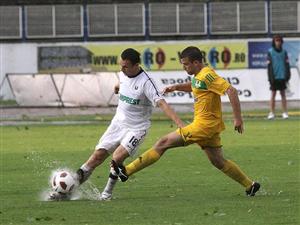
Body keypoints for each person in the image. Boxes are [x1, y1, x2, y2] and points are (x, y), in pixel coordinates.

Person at [109, 46, 260, 197]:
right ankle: (250, 185)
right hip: (209, 127)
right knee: (218, 161)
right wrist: (176, 87)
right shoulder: (199, 76)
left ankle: (126, 171)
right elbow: (196, 86)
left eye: (186, 64)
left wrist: (238, 119)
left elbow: (231, 91)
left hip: (203, 126)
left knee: (163, 143)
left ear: (196, 62)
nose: (184, 67)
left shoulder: (207, 75)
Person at [49, 48, 184, 200]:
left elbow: (163, 104)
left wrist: (180, 124)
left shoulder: (146, 83)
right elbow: (121, 83)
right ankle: (66, 193)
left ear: (136, 65)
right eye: (121, 65)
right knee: (96, 157)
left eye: (125, 66)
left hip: (137, 128)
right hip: (118, 123)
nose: (122, 69)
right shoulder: (123, 73)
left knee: (117, 158)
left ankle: (106, 194)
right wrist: (116, 88)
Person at [267, 35, 291, 119]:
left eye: (279, 41)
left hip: (282, 76)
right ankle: (271, 113)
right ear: (274, 42)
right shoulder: (270, 52)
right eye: (276, 41)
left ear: (281, 42)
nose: (278, 42)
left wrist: (287, 76)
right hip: (274, 77)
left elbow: (287, 64)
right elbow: (269, 66)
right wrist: (270, 78)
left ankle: (284, 112)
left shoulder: (284, 52)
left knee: (283, 94)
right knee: (273, 94)